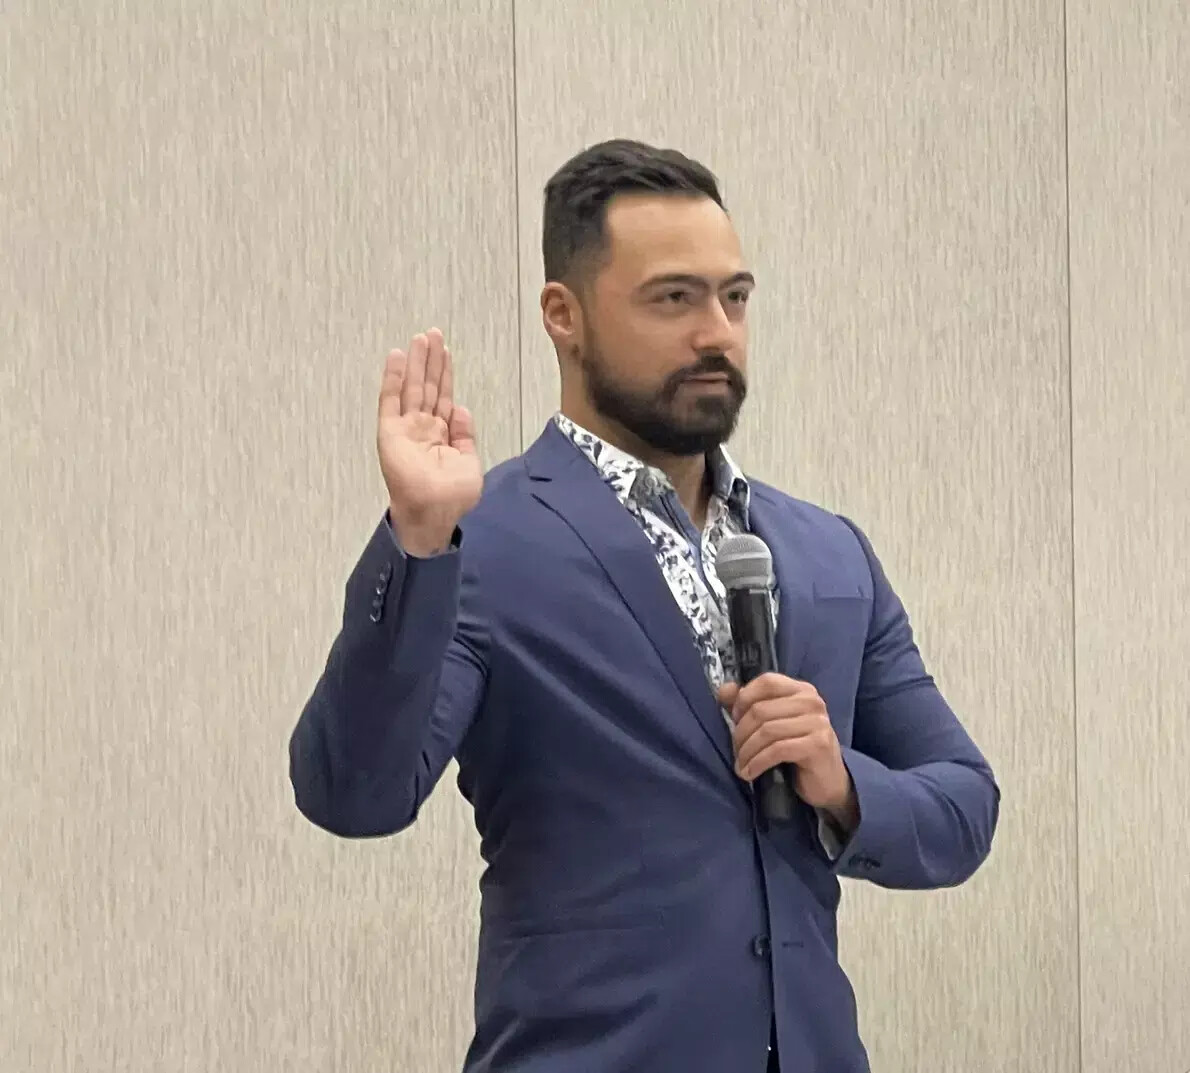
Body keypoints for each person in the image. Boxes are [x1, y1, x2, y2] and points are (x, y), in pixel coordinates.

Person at [288, 139, 1000, 1073]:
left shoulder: (828, 549)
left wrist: (841, 782)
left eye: (733, 297)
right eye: (674, 298)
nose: (718, 331)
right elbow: (354, 793)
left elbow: (962, 804)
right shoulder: (485, 541)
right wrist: (420, 542)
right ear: (563, 315)